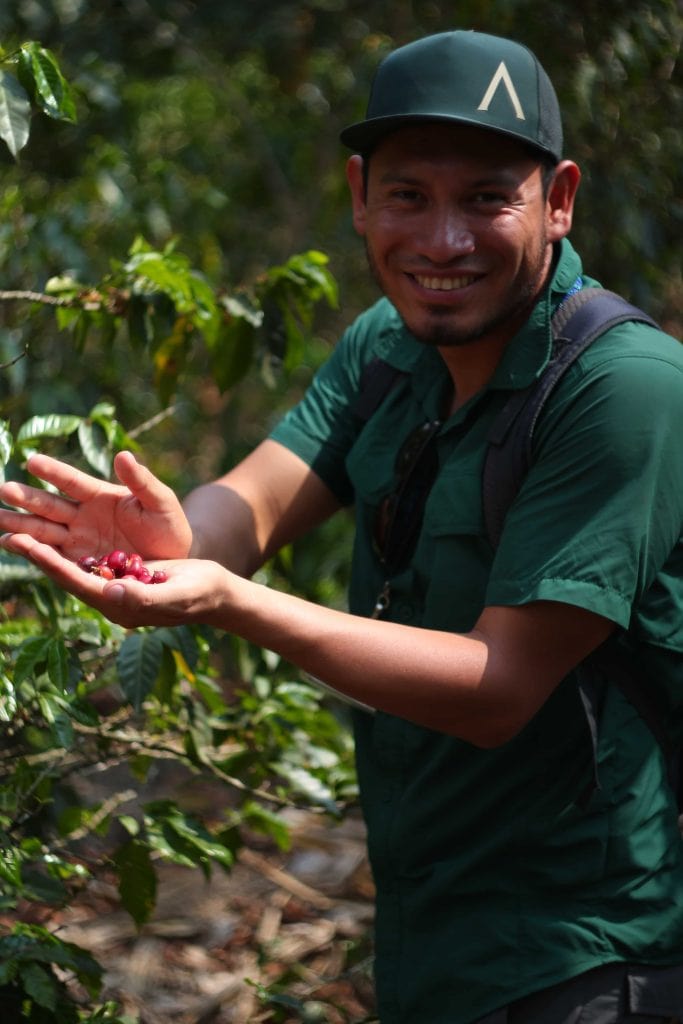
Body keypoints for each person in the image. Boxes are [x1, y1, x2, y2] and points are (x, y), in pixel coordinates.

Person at [1, 28, 682, 1024]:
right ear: (360, 196)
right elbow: (256, 502)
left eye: (486, 197)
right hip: (427, 944)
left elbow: (499, 688)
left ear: (559, 199)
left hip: (585, 959)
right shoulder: (387, 345)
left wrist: (234, 604)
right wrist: (174, 544)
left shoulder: (624, 391)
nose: (442, 242)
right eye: (408, 195)